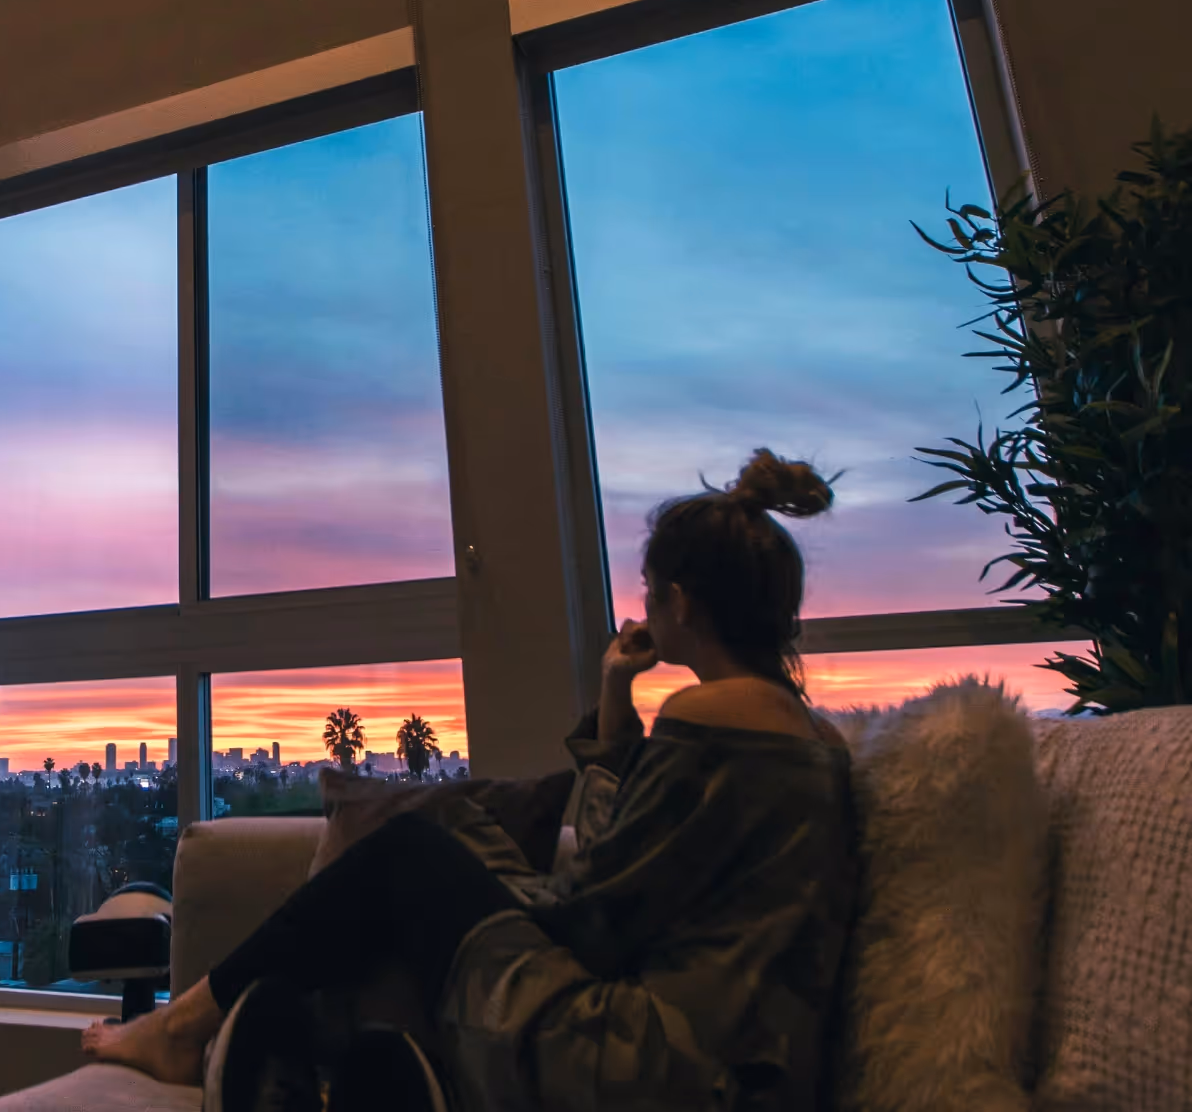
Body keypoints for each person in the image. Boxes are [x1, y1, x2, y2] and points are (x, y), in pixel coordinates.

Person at [83, 449, 858, 1111]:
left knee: (409, 855)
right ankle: (326, 1060)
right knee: (434, 862)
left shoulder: (708, 721)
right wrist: (615, 698)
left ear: (679, 604)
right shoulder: (810, 743)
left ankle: (188, 1031)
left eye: (650, 589)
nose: (644, 607)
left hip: (642, 1065)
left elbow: (593, 910)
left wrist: (476, 887)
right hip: (742, 1071)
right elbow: (642, 859)